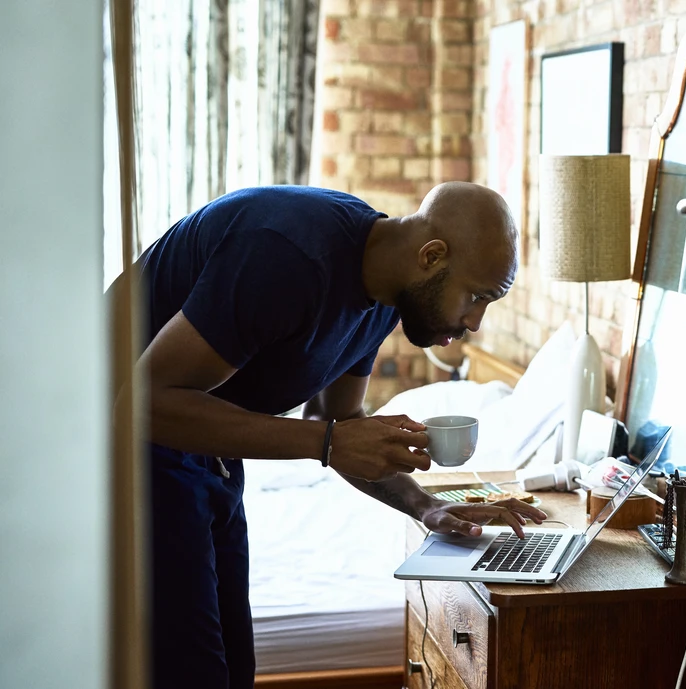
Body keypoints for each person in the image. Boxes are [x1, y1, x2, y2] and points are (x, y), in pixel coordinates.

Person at [113, 182, 547, 689]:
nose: (475, 321)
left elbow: (334, 419)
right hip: (118, 447)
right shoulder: (287, 256)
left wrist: (426, 508)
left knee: (234, 670)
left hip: (207, 447)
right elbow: (140, 404)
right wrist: (329, 444)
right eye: (476, 296)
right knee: (194, 674)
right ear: (432, 255)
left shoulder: (385, 290)